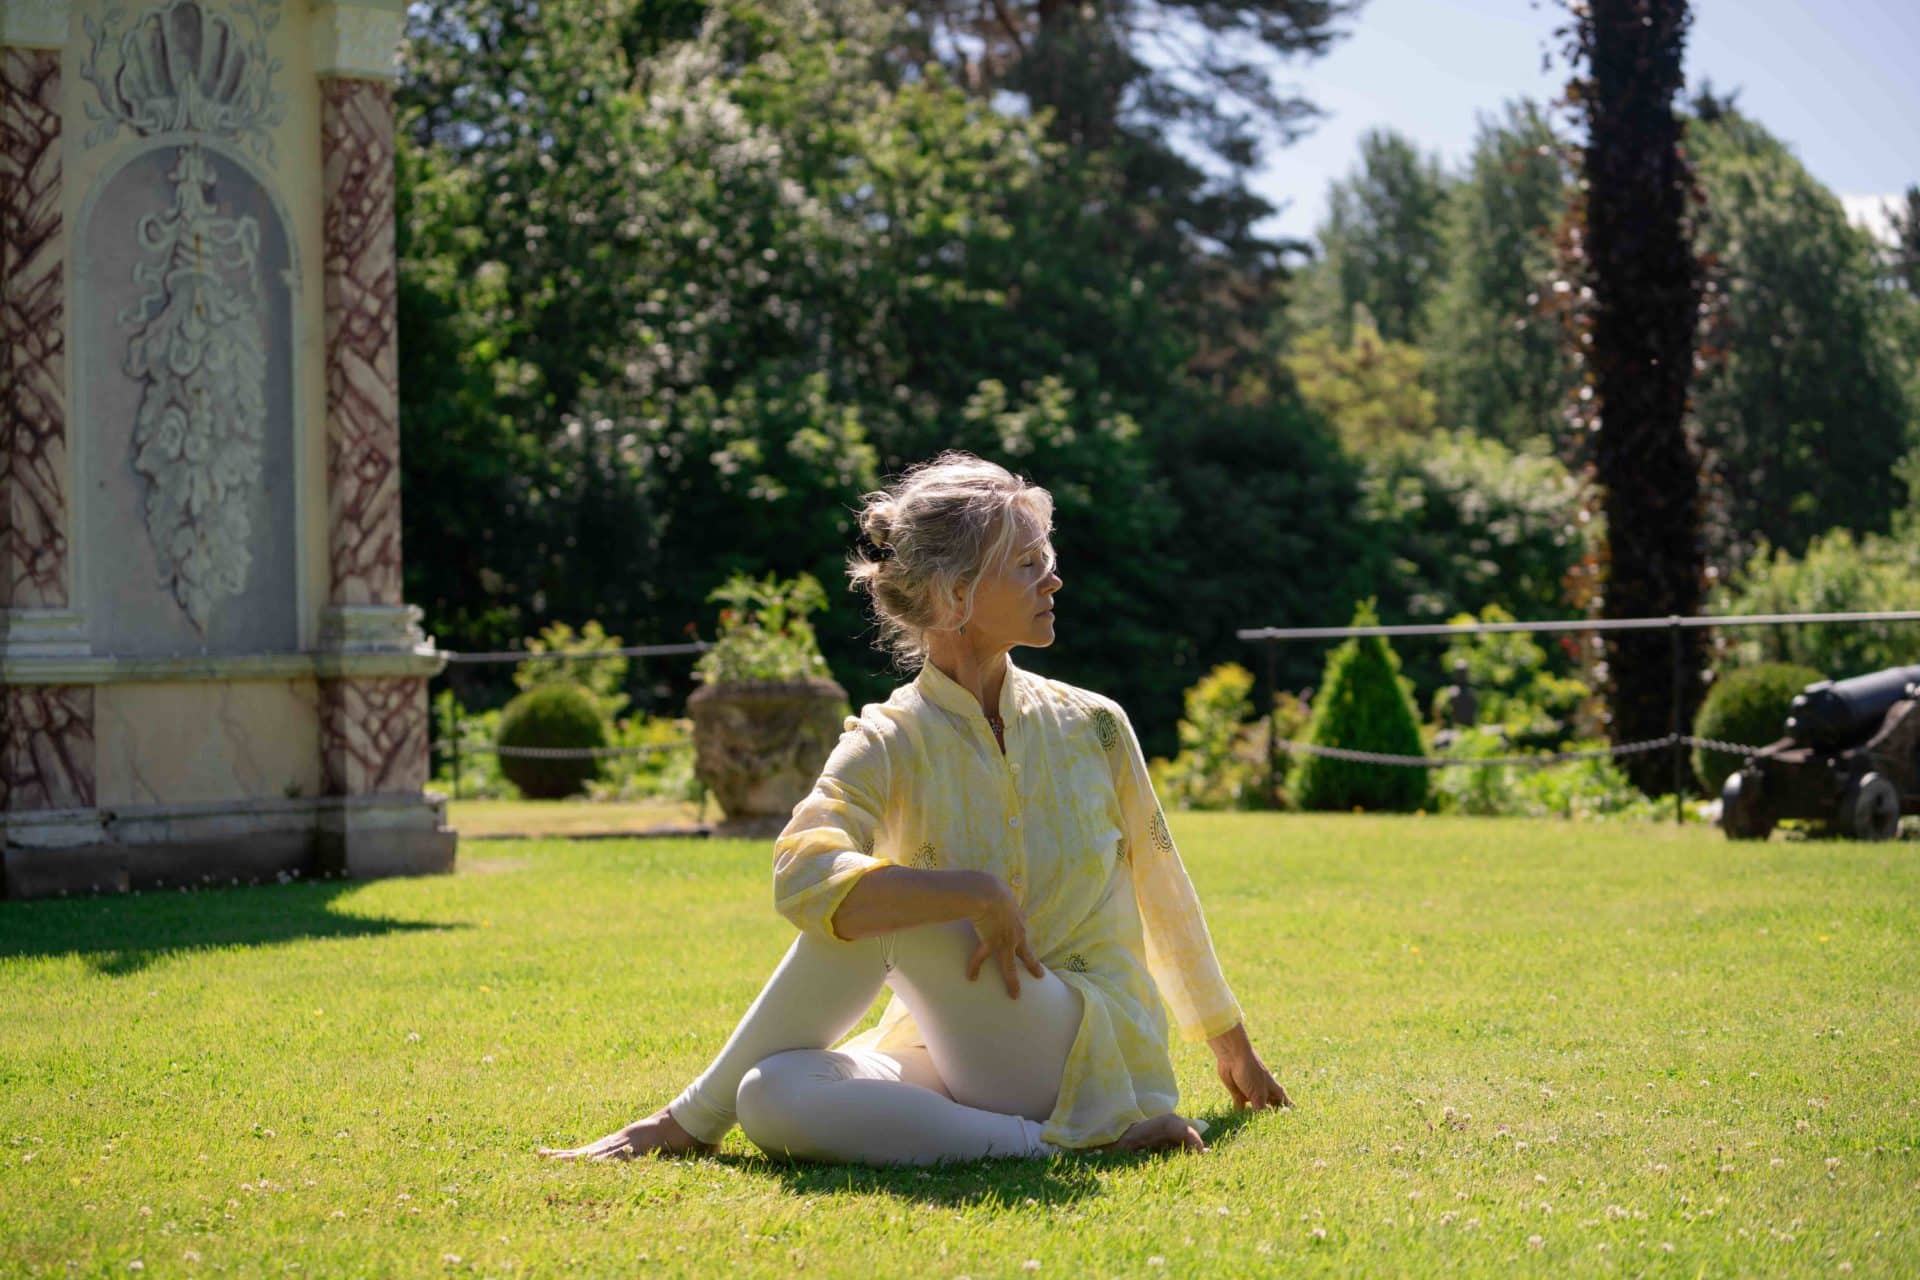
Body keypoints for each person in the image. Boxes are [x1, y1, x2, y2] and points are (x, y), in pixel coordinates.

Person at [540, 451, 1290, 1166]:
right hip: (955, 1049)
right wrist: (974, 893)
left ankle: (683, 1123)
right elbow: (802, 874)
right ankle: (1045, 1147)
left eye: (1047, 562)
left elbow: (1166, 894)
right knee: (771, 1095)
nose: (1053, 581)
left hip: (1086, 1043)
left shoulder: (1095, 723)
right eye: (1028, 566)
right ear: (954, 594)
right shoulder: (889, 738)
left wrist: (1237, 1053)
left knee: (903, 914)